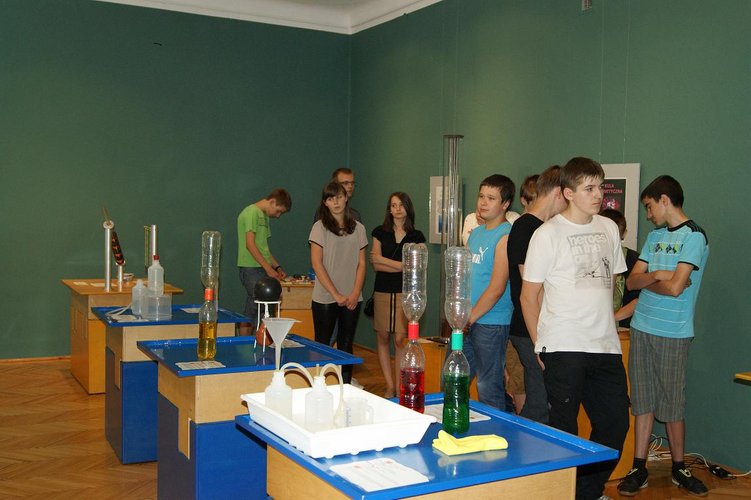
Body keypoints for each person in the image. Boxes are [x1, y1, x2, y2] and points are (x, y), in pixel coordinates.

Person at [521, 157, 629, 500]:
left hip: (605, 346)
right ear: (568, 193)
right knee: (564, 430)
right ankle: (561, 493)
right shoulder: (547, 234)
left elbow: (609, 286)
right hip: (562, 345)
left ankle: (586, 492)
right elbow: (528, 296)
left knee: (615, 424)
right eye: (589, 188)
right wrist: (539, 344)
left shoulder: (608, 228)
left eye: (600, 187)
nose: (598, 195)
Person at [617, 176, 709, 497]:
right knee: (642, 400)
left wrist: (652, 281)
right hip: (642, 327)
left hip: (673, 332)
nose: (648, 214)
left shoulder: (694, 236)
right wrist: (657, 274)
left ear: (665, 200)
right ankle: (638, 466)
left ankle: (679, 467)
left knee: (672, 403)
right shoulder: (654, 237)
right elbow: (632, 282)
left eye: (649, 206)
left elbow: (676, 288)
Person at [507, 167, 567, 423]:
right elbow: (531, 287)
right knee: (540, 406)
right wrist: (543, 335)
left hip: (541, 328)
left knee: (543, 402)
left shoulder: (543, 228)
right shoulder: (526, 228)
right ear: (558, 193)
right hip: (529, 329)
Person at [464, 174, 515, 411]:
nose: (483, 202)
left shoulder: (505, 236)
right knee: (453, 379)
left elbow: (497, 288)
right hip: (467, 321)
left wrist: (470, 317)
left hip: (491, 323)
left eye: (491, 198)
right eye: (481, 196)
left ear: (505, 204)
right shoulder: (475, 233)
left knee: (488, 387)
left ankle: (496, 431)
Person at [309, 181, 367, 384]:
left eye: (339, 197)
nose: (336, 202)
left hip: (352, 296)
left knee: (346, 345)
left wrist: (355, 293)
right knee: (322, 344)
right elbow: (317, 263)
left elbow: (362, 263)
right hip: (325, 297)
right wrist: (336, 294)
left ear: (346, 198)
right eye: (331, 198)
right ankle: (318, 386)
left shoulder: (359, 228)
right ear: (325, 202)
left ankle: (345, 386)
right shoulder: (319, 228)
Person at [369, 192, 426, 398]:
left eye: (401, 205)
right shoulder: (379, 232)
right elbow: (375, 264)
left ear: (408, 208)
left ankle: (401, 385)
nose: (397, 209)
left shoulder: (417, 236)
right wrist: (403, 265)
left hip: (406, 292)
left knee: (401, 339)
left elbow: (416, 266)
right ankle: (389, 385)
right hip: (383, 290)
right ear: (389, 209)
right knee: (383, 336)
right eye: (393, 205)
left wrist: (386, 262)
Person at [237, 189, 291, 336]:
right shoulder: (251, 212)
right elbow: (250, 244)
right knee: (255, 305)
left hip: (261, 267)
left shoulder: (264, 217)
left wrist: (276, 266)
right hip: (251, 267)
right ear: (272, 201)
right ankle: (244, 341)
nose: (278, 215)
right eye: (278, 211)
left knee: (262, 308)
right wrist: (268, 269)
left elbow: (264, 248)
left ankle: (259, 339)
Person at [600, 208, 640, 327]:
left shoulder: (634, 260)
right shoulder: (589, 258)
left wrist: (613, 319)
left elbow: (640, 298)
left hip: (623, 326)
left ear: (623, 234)